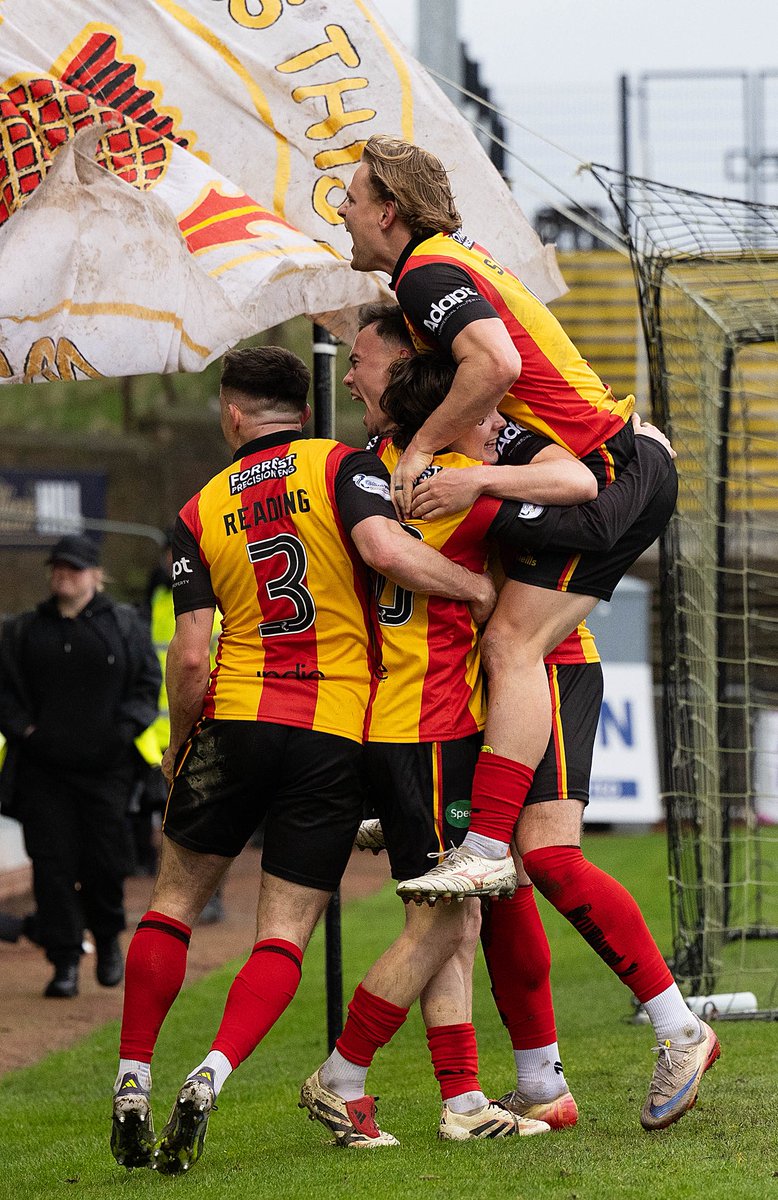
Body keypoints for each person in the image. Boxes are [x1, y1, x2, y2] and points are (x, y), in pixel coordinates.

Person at [109, 345, 496, 1173]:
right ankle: (211, 1074)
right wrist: (476, 589)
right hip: (331, 734)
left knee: (173, 903)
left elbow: (186, 655)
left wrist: (182, 744)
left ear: (233, 413)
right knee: (282, 934)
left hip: (235, 718)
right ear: (303, 408)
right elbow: (387, 553)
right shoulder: (340, 465)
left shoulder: (199, 508)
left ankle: (133, 1077)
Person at [302, 308, 683, 1143]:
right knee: (481, 898)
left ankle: (663, 1035)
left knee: (511, 877)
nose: (353, 377)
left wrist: (487, 476)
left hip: (518, 680)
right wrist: (646, 453)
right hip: (453, 708)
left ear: (411, 370)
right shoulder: (425, 477)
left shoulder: (445, 461)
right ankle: (507, 1085)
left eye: (364, 362)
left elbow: (581, 504)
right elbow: (581, 498)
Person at [336, 134, 678, 912]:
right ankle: (438, 805)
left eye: (351, 201)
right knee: (496, 624)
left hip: (605, 473)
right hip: (611, 463)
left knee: (509, 640)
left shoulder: (425, 270)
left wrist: (420, 450)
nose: (343, 215)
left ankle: (485, 845)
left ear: (388, 211)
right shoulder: (444, 260)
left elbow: (497, 365)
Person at [0, 534, 161, 999]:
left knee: (104, 864)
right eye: (57, 567)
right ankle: (64, 960)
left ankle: (107, 939)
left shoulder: (124, 626)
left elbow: (148, 685)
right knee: (51, 869)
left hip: (107, 772)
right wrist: (26, 732)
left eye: (72, 568)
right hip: (42, 773)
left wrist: (121, 732)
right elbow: (5, 694)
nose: (62, 575)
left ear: (95, 574)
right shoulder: (26, 630)